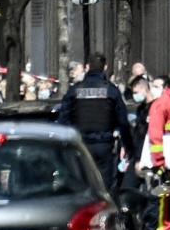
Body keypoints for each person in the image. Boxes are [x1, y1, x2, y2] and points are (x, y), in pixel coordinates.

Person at [57, 52, 135, 189]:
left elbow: (63, 119)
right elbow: (123, 122)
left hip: (80, 146)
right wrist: (129, 147)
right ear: (105, 67)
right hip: (104, 146)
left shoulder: (75, 90)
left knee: (82, 186)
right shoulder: (111, 90)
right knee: (104, 189)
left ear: (87, 67)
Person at [147, 70, 170, 230]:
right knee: (165, 198)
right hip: (168, 162)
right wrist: (160, 162)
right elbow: (156, 134)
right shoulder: (163, 104)